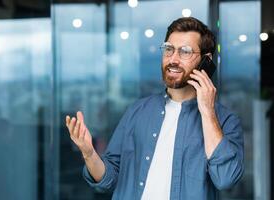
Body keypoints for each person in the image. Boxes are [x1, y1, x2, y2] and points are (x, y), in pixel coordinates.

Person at [65, 17, 244, 200]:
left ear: (206, 61)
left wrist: (207, 111)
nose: (173, 59)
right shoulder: (138, 111)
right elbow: (109, 178)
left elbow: (225, 179)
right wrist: (89, 154)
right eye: (168, 49)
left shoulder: (224, 121)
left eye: (185, 52)